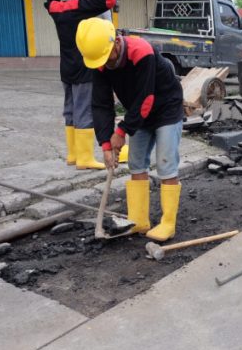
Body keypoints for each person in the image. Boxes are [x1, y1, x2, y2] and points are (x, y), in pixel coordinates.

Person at [75, 18, 184, 242]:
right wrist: (105, 143)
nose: (104, 63)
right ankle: (139, 220)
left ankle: (168, 223)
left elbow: (147, 97)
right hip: (139, 112)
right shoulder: (100, 63)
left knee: (165, 163)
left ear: (116, 42)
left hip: (166, 108)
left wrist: (122, 131)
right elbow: (101, 105)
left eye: (107, 57)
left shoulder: (142, 52)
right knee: (136, 163)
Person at [45, 0, 117, 170]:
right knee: (84, 110)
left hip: (66, 68)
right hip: (84, 67)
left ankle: (73, 155)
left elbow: (49, 1)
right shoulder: (82, 8)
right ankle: (85, 159)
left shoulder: (56, 8)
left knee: (70, 110)